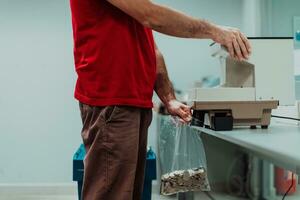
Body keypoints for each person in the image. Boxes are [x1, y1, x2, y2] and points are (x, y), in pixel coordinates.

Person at [70, 0, 251, 199]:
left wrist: (169, 98)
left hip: (132, 103)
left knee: (126, 193)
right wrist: (213, 31)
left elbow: (151, 50)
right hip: (111, 101)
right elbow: (152, 16)